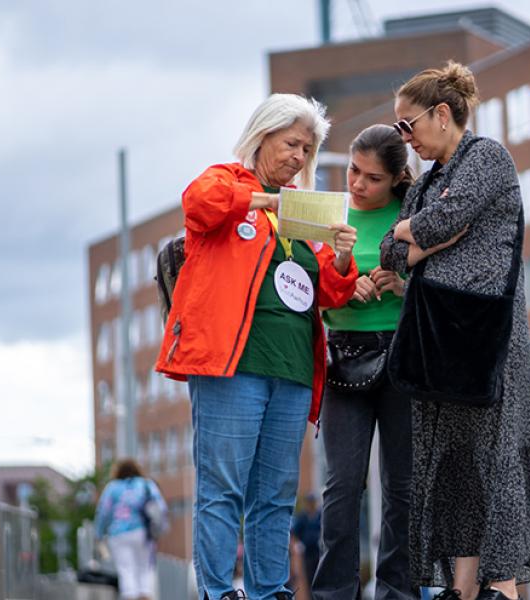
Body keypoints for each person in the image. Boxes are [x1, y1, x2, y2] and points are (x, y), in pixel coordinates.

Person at [154, 93, 360, 600]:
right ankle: (219, 590)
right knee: (222, 486)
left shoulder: (304, 212)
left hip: (290, 369)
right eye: (292, 143)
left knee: (275, 494)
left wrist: (340, 258)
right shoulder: (226, 181)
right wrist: (265, 201)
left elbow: (331, 293)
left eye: (307, 150)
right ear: (262, 136)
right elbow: (198, 203)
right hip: (233, 365)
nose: (299, 157)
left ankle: (271, 591)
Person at [380, 62, 530, 600]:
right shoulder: (428, 185)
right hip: (436, 342)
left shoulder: (486, 156)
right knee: (452, 464)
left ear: (442, 114)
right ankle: (462, 588)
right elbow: (391, 253)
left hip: (490, 339)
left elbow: (446, 220)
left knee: (497, 458)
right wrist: (416, 237)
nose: (404, 137)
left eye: (407, 124)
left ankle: (502, 586)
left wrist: (420, 236)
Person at [311, 124, 416, 600]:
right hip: (343, 356)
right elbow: (309, 295)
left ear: (396, 179)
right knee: (342, 486)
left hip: (403, 356)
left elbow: (444, 285)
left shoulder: (416, 214)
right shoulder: (330, 215)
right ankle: (335, 593)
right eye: (354, 170)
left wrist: (404, 284)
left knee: (403, 488)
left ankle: (397, 592)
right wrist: (341, 281)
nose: (357, 184)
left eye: (372, 178)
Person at [94, 459, 168, 600]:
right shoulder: (147, 485)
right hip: (143, 533)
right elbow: (161, 507)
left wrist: (98, 534)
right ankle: (145, 596)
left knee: (126, 571)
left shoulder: (113, 487)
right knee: (145, 570)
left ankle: (129, 596)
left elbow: (103, 512)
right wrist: (160, 529)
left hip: (118, 534)